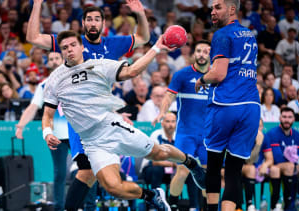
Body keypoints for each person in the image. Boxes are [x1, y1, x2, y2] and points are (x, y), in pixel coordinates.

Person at [42, 31, 206, 211]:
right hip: (92, 142)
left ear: (82, 47)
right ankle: (151, 195)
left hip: (112, 127)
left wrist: (156, 47)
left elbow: (132, 70)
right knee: (113, 187)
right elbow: (48, 115)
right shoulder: (54, 80)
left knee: (158, 153)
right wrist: (47, 132)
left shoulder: (99, 65)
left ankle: (190, 163)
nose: (69, 50)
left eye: (73, 45)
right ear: (61, 52)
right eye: (65, 48)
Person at [26, 0, 150, 209]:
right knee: (88, 171)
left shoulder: (112, 44)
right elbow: (33, 38)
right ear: (83, 23)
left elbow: (144, 38)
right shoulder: (72, 44)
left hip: (105, 118)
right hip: (78, 121)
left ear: (103, 23)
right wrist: (37, 4)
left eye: (97, 19)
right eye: (89, 19)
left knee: (96, 174)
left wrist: (140, 14)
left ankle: (147, 195)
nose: (93, 23)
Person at [194, 0, 260, 210]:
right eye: (212, 8)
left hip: (226, 105)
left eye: (218, 7)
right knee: (234, 171)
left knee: (213, 167)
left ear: (232, 9)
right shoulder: (250, 34)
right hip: (251, 106)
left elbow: (219, 73)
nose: (212, 12)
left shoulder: (222, 35)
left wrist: (201, 79)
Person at [153, 40, 211, 211]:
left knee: (209, 177)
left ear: (211, 55)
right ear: (194, 54)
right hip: (186, 134)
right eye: (198, 51)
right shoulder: (182, 75)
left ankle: (208, 208)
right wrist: (163, 112)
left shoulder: (217, 76)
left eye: (205, 51)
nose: (201, 54)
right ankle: (172, 205)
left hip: (209, 136)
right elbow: (169, 96)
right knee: (183, 172)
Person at [15, 52, 69, 211]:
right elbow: (33, 107)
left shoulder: (76, 79)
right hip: (56, 135)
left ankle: (89, 207)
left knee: (86, 170)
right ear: (47, 64)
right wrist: (21, 125)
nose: (53, 61)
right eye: (50, 59)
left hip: (78, 134)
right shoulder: (44, 85)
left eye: (56, 58)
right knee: (59, 175)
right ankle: (59, 208)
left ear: (63, 60)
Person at [267, 107, 299, 211]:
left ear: (294, 119)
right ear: (280, 118)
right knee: (289, 166)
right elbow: (278, 158)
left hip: (292, 166)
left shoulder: (296, 134)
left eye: (290, 117)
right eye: (284, 117)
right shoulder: (272, 133)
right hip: (276, 167)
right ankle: (288, 204)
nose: (287, 120)